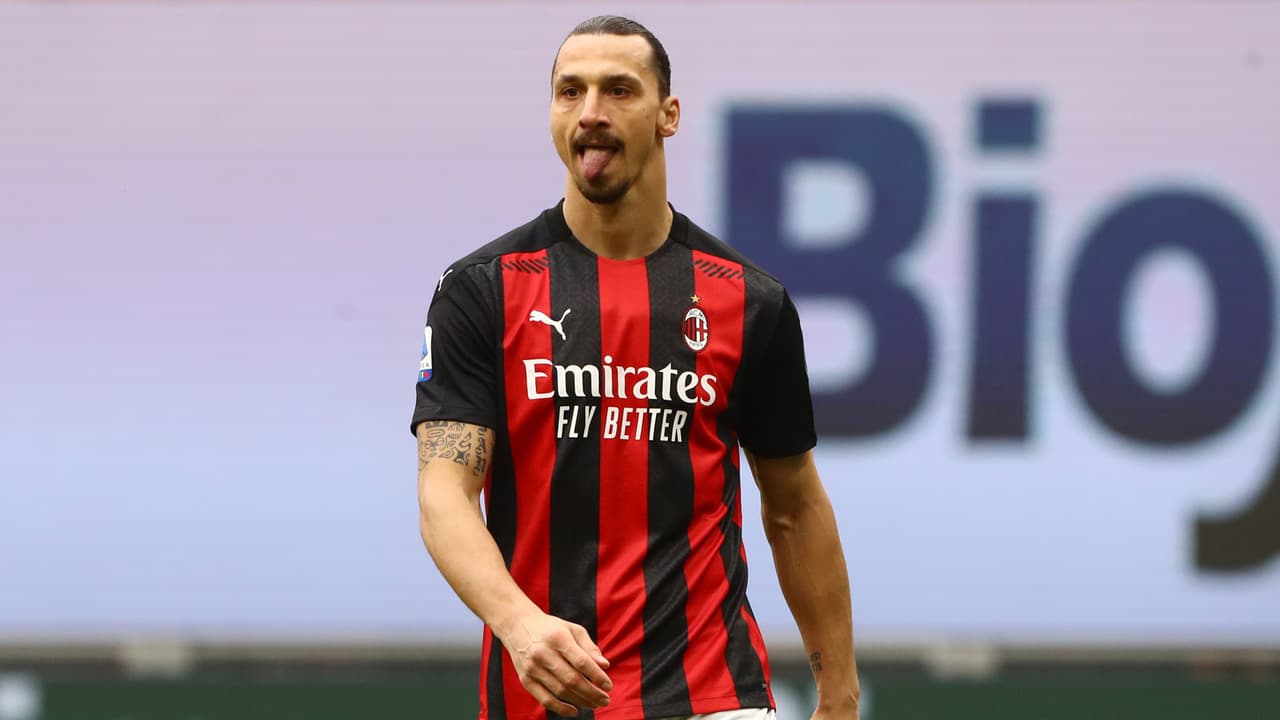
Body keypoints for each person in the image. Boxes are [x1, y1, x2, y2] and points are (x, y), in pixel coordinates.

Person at [412, 15, 860, 720]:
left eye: (618, 90)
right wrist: (519, 623)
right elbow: (445, 495)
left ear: (668, 115)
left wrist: (839, 694)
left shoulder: (750, 301)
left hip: (714, 696)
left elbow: (795, 506)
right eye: (570, 92)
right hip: (541, 698)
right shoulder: (482, 290)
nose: (590, 112)